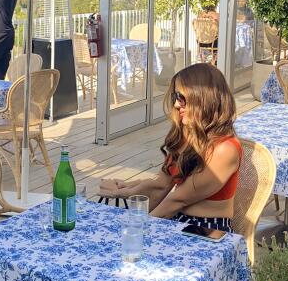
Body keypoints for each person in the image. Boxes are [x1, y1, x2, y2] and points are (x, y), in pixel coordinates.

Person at [98, 63, 240, 232]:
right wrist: (125, 189)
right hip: (177, 220)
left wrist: (137, 228)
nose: (176, 105)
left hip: (207, 230)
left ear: (203, 98)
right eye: (175, 97)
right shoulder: (188, 134)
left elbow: (177, 200)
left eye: (182, 98)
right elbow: (161, 184)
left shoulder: (225, 149)